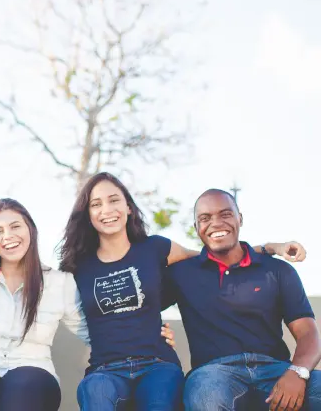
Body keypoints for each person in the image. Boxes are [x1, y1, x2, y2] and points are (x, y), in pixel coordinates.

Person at [58, 172, 304, 411]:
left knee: (160, 401)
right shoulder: (78, 266)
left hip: (157, 364)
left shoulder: (155, 247)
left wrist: (270, 247)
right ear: (88, 214)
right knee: (96, 393)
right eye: (96, 204)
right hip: (105, 368)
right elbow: (67, 310)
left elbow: (213, 254)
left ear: (129, 207)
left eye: (114, 200)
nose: (107, 210)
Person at [0, 198, 176, 411]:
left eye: (15, 227)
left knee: (21, 384)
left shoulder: (59, 283)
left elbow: (95, 333)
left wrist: (148, 335)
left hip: (33, 372)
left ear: (30, 230)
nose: (7, 236)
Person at [164, 189, 321, 411]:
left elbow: (308, 332)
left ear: (240, 219)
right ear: (196, 228)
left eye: (225, 214)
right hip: (213, 374)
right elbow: (139, 306)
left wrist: (298, 372)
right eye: (205, 218)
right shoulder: (181, 273)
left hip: (275, 370)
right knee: (206, 397)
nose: (216, 223)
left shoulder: (277, 270)